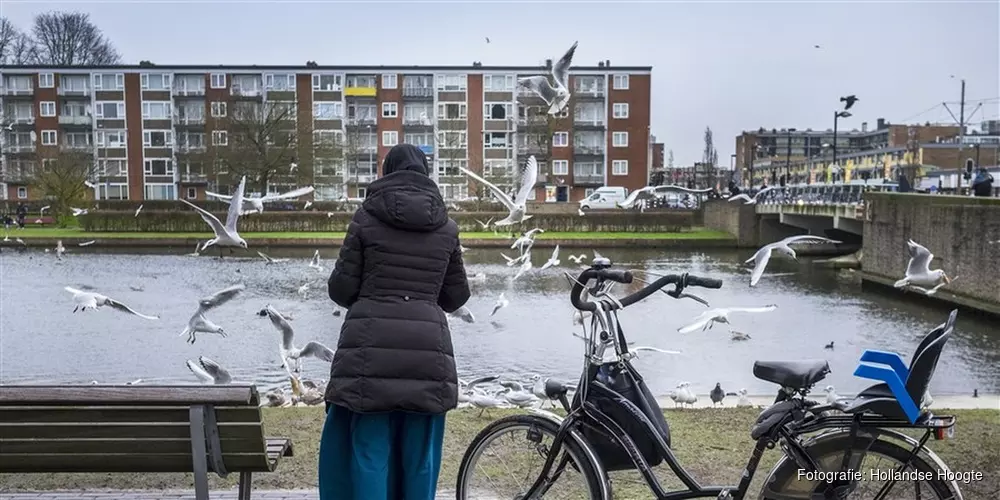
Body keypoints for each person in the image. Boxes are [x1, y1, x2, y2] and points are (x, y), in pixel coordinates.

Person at [320, 143, 471, 500]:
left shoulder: (365, 218)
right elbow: (456, 297)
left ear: (386, 173)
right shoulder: (446, 228)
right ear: (426, 174)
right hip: (426, 354)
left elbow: (341, 290)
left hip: (368, 353)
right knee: (419, 457)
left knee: (369, 453)